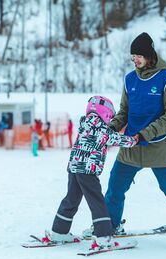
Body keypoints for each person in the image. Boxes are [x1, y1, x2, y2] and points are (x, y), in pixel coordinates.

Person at [103, 32, 166, 247]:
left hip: (160, 148)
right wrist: (111, 127)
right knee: (115, 188)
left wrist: (145, 134)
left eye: (139, 55)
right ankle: (109, 225)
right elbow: (124, 111)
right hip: (130, 148)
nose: (135, 60)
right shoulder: (130, 79)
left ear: (150, 55)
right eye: (133, 57)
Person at [46, 95, 137, 250]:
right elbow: (114, 138)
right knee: (97, 202)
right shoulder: (100, 127)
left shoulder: (85, 124)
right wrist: (133, 140)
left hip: (74, 168)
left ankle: (59, 231)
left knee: (71, 199)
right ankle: (103, 237)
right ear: (106, 113)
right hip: (87, 171)